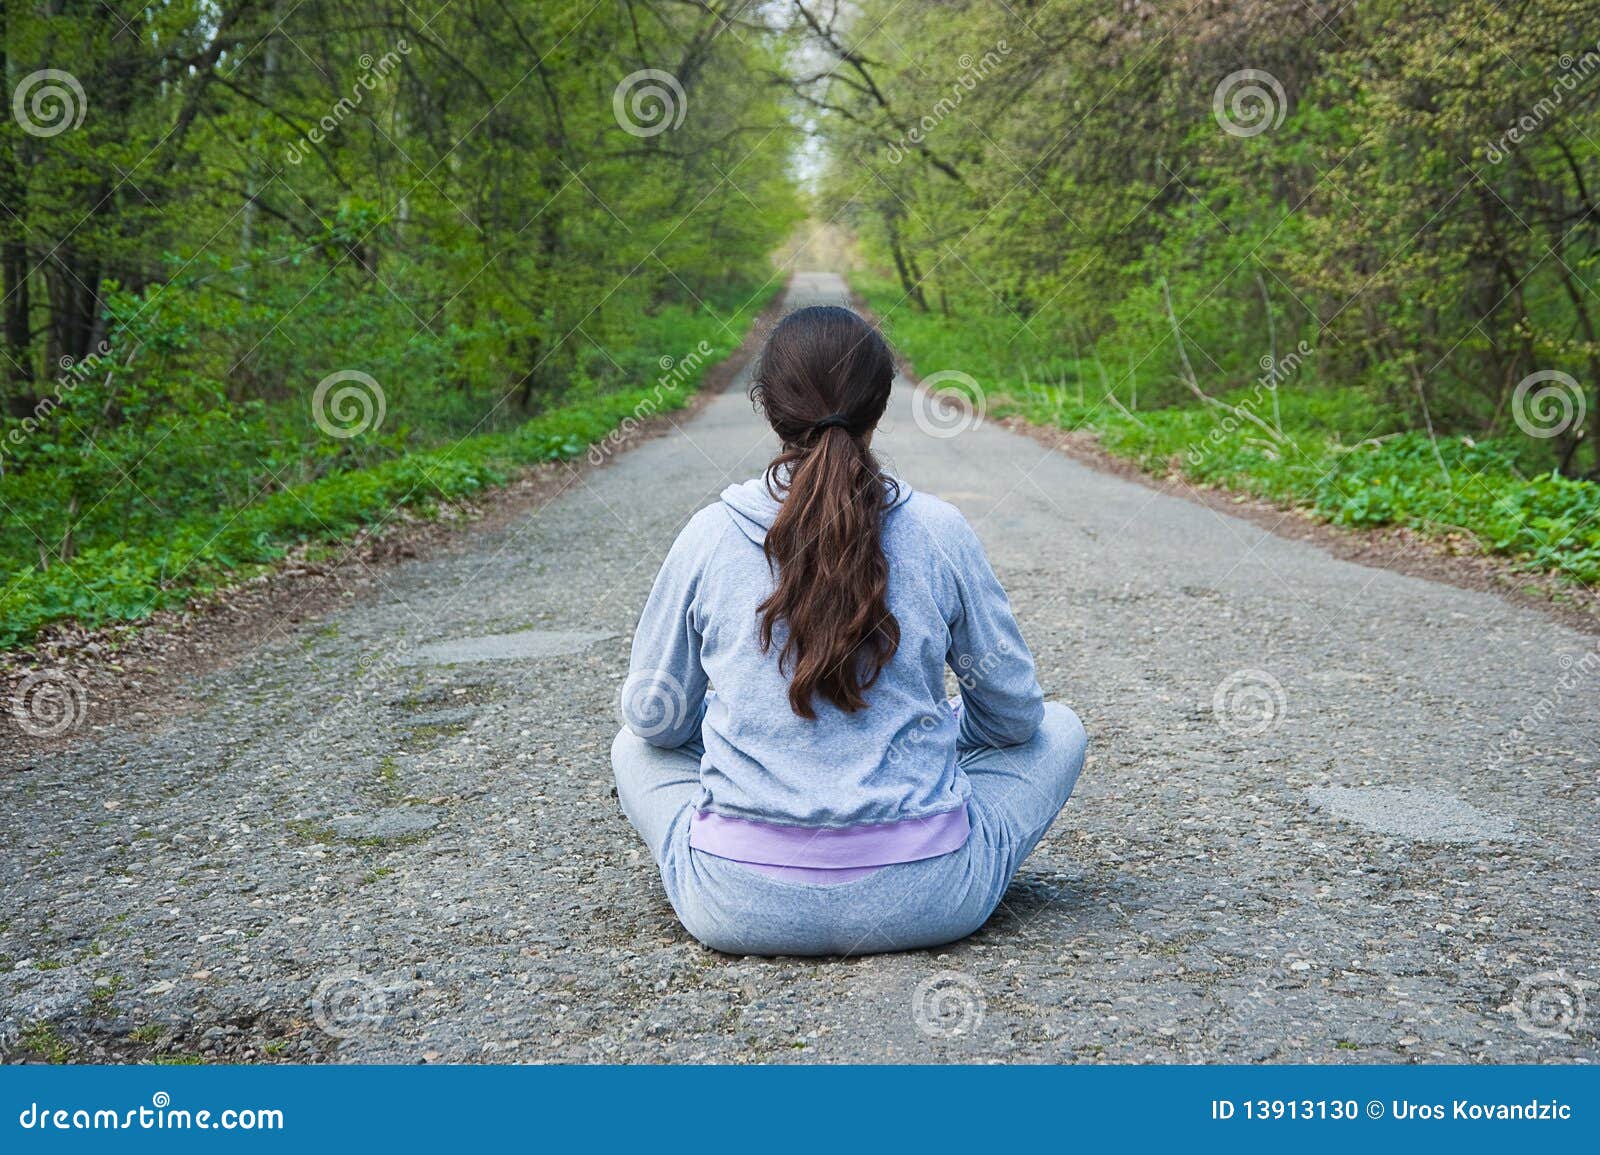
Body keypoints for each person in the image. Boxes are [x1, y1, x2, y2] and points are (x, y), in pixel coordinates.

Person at [611, 304, 1087, 956]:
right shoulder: (941, 531)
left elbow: (655, 722)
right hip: (927, 897)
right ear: (880, 404)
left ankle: (746, 842)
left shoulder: (708, 535)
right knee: (1061, 729)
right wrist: (936, 731)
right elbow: (1013, 716)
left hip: (738, 903)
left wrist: (746, 723)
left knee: (632, 748)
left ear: (767, 405)